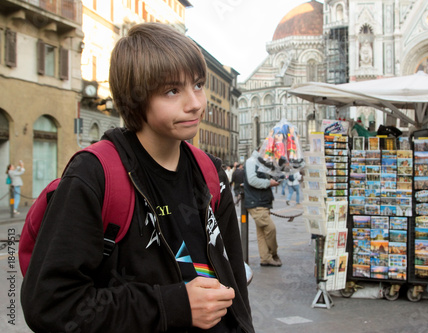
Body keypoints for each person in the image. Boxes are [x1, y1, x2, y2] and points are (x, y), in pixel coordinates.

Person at [21, 22, 254, 333]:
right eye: (173, 90)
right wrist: (173, 306)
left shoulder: (211, 173)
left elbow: (234, 283)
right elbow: (50, 305)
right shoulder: (95, 175)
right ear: (136, 98)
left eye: (198, 84)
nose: (196, 103)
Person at [244, 149, 281, 267]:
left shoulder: (262, 162)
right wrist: (269, 183)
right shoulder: (252, 162)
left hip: (262, 202)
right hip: (256, 203)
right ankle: (273, 254)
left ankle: (265, 258)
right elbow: (252, 180)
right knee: (271, 228)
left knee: (261, 233)